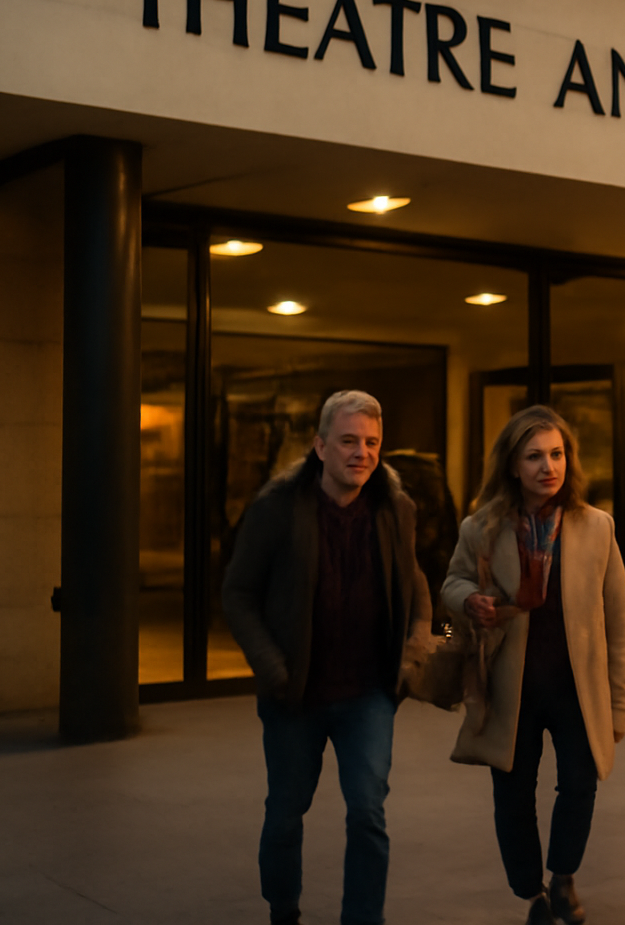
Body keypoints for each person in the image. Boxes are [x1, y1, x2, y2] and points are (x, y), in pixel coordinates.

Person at [223, 390, 432, 925]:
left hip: (369, 694)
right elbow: (237, 595)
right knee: (286, 813)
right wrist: (272, 668)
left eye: (371, 443)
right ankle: (283, 909)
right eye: (347, 441)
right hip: (295, 693)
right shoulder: (275, 509)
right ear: (319, 446)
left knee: (368, 812)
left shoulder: (396, 510)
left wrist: (417, 652)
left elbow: (418, 589)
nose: (360, 453)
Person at [442, 405, 625, 925]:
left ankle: (564, 876)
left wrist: (622, 702)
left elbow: (619, 622)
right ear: (512, 465)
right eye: (534, 456)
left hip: (577, 688)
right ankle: (532, 893)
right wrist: (468, 602)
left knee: (579, 785)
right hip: (513, 688)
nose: (547, 467)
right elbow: (450, 586)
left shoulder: (597, 527)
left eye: (556, 455)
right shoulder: (481, 527)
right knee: (513, 795)